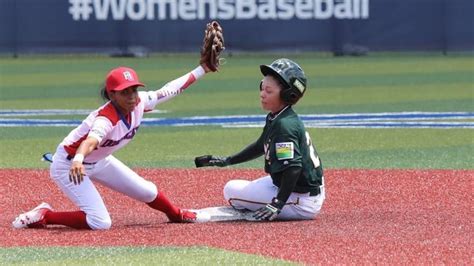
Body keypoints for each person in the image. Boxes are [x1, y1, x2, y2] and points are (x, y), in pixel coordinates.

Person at [12, 62, 214, 230]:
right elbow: (89, 141)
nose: (132, 95)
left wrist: (202, 68)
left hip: (98, 160)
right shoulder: (106, 119)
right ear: (112, 95)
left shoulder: (140, 102)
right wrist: (78, 160)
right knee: (100, 222)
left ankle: (176, 214)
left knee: (147, 191)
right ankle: (45, 215)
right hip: (70, 166)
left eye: (134, 89)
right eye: (124, 92)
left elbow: (169, 90)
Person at [194, 58, 325, 221]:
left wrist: (277, 203)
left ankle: (276, 207)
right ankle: (273, 201)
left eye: (269, 91)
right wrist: (227, 160)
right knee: (238, 185)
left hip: (302, 201)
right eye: (262, 88)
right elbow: (259, 146)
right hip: (301, 188)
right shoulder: (279, 116)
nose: (262, 94)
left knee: (231, 191)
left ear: (287, 94)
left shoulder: (285, 125)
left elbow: (293, 168)